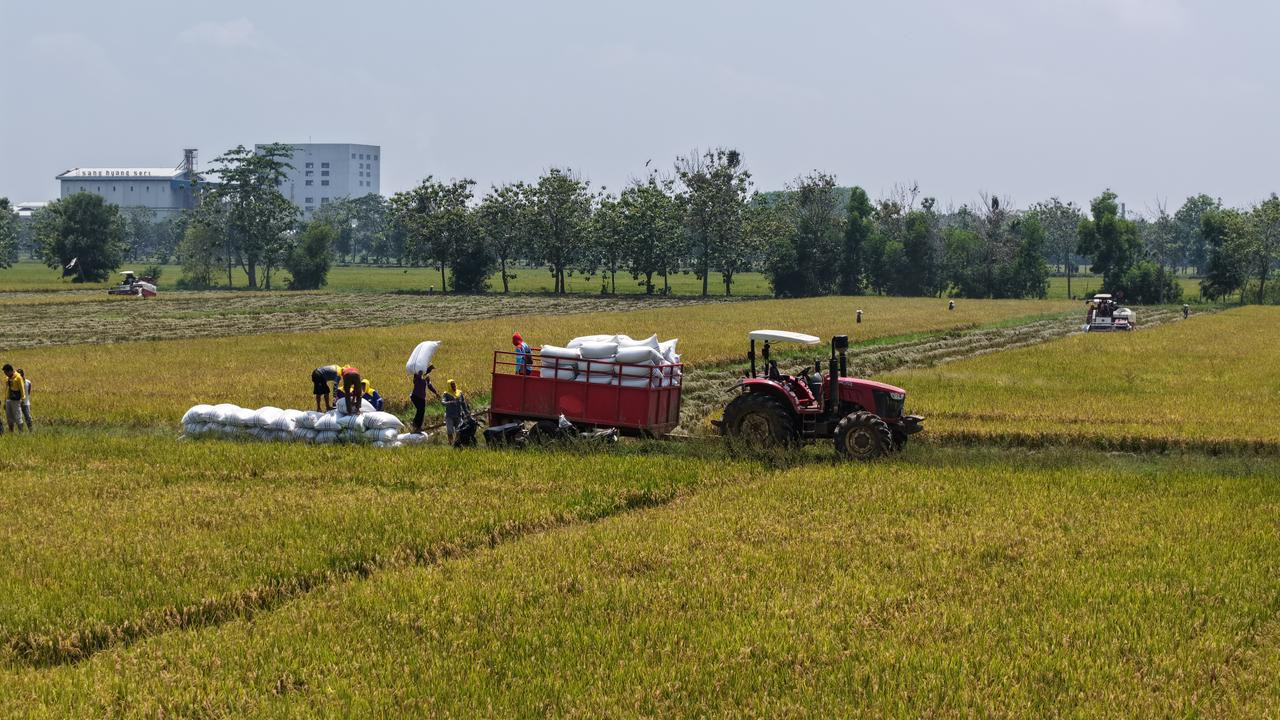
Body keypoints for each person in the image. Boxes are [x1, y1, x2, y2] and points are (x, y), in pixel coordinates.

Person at [409, 364, 440, 433]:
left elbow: (429, 385)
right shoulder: (417, 375)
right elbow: (415, 382)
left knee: (422, 411)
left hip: (422, 397)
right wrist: (427, 370)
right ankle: (415, 424)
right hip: (415, 396)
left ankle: (418, 426)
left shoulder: (426, 376)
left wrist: (436, 393)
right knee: (420, 410)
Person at [442, 379, 466, 443]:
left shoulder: (459, 393)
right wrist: (450, 402)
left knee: (459, 430)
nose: (454, 386)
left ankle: (457, 443)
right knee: (450, 431)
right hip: (449, 416)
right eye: (452, 385)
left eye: (454, 384)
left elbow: (463, 403)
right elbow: (443, 402)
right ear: (449, 386)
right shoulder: (446, 394)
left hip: (458, 415)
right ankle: (451, 443)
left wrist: (466, 412)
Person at [3, 365, 25, 434]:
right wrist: (5, 401)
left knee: (18, 416)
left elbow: (22, 388)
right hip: (8, 400)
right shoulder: (8, 378)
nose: (5, 374)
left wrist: (22, 399)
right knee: (9, 417)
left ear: (10, 371)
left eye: (6, 372)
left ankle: (21, 433)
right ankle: (11, 433)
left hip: (16, 400)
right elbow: (6, 390)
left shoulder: (18, 377)